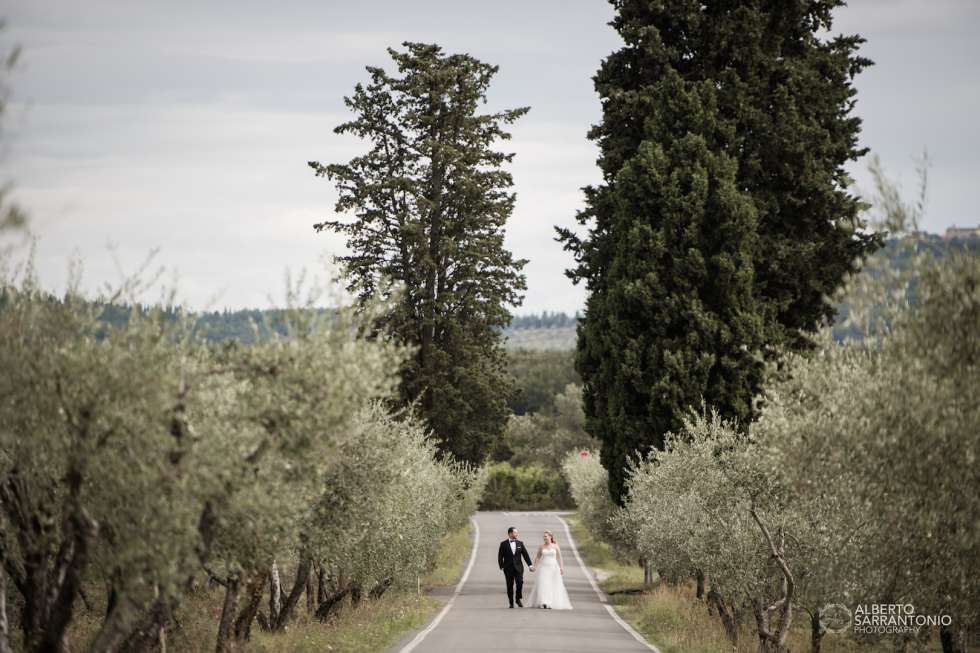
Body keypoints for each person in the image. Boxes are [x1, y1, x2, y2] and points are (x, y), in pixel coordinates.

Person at [527, 530, 572, 609]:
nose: (544, 538)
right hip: (543, 568)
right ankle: (544, 602)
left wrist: (561, 567)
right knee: (543, 584)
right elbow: (538, 557)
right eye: (544, 536)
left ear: (550, 537)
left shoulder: (555, 546)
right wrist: (534, 566)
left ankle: (551, 602)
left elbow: (559, 557)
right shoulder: (541, 546)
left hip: (553, 568)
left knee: (552, 584)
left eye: (546, 536)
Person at [498, 526, 534, 608]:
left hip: (519, 568)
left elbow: (525, 555)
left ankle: (518, 598)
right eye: (515, 533)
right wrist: (501, 566)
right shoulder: (503, 544)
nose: (516, 534)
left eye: (517, 533)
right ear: (510, 533)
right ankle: (511, 602)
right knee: (509, 585)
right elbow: (500, 556)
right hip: (508, 568)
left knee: (520, 582)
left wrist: (530, 565)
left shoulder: (520, 543)